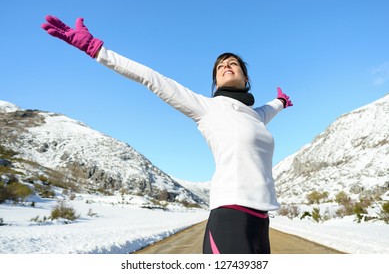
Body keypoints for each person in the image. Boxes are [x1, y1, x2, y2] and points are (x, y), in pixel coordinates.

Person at [41, 15, 293, 254]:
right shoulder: (207, 108)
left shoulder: (256, 116)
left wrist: (280, 101)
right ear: (215, 81)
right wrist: (98, 51)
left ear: (245, 77)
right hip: (230, 216)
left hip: (261, 221)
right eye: (220, 66)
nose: (226, 65)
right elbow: (152, 78)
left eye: (232, 63)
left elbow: (271, 108)